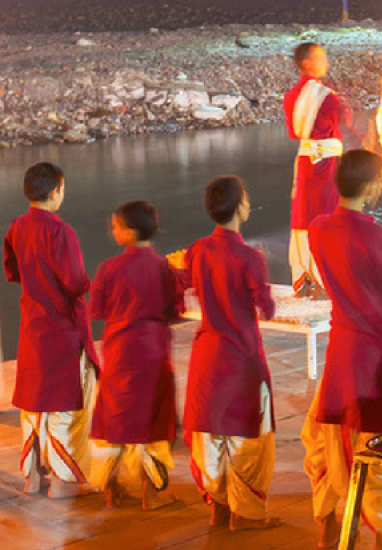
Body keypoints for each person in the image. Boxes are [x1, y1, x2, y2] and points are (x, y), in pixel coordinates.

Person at [302, 150, 382, 550]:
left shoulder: (318, 229)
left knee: (328, 438)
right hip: (375, 351)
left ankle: (329, 521)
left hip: (341, 348)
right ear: (371, 187)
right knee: (378, 442)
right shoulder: (377, 236)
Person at [185, 176, 278, 529]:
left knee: (211, 434)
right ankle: (247, 512)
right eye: (247, 197)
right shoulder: (249, 256)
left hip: (208, 352)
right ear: (240, 207)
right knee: (247, 438)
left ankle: (219, 504)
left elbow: (185, 281)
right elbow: (265, 308)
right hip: (241, 355)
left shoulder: (197, 249)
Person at [6, 162, 95, 498]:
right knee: (63, 404)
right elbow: (74, 282)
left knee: (34, 403)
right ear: (56, 190)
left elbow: (13, 271)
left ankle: (32, 477)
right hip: (62, 326)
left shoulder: (17, 227)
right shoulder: (60, 231)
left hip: (32, 325)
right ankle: (63, 482)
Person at [88, 201, 182, 509]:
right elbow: (175, 310)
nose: (112, 231)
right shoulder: (163, 268)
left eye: (115, 226)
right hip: (154, 353)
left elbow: (98, 310)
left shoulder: (108, 269)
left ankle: (111, 488)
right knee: (153, 419)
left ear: (128, 233)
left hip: (119, 353)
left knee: (113, 419)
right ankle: (151, 491)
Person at [283, 42, 345, 294]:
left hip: (305, 163)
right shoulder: (326, 97)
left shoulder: (292, 97)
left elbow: (293, 132)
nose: (326, 62)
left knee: (304, 215)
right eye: (321, 57)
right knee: (327, 215)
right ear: (306, 63)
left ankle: (305, 276)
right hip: (326, 165)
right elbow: (341, 129)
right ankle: (327, 277)